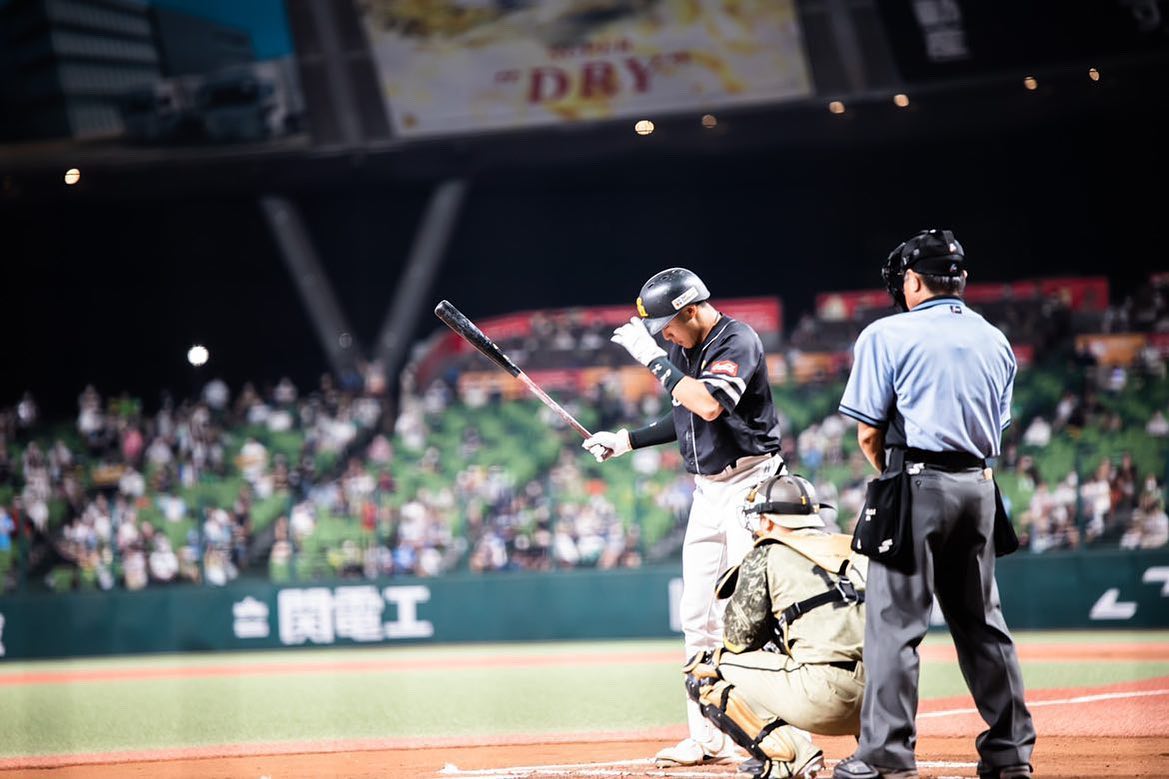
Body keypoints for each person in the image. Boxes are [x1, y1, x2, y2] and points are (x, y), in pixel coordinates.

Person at [833, 229, 1036, 779]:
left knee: (895, 627)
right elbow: (997, 428)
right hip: (979, 487)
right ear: (962, 280)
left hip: (917, 481)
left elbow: (869, 436)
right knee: (983, 625)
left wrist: (898, 486)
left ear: (913, 281)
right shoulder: (996, 339)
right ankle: (1011, 754)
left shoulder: (887, 333)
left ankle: (886, 756)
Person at [582, 267, 786, 767]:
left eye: (668, 327)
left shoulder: (738, 339)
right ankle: (708, 738)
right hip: (707, 492)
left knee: (752, 618)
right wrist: (626, 440)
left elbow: (709, 405)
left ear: (691, 310)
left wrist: (651, 358)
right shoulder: (681, 347)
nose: (665, 337)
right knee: (697, 619)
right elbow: (684, 415)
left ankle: (775, 738)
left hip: (752, 487)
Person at [685, 473, 867, 779]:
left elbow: (737, 639)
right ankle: (878, 750)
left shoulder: (765, 554)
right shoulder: (854, 548)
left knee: (704, 670)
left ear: (768, 520)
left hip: (826, 700)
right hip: (887, 700)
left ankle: (790, 754)